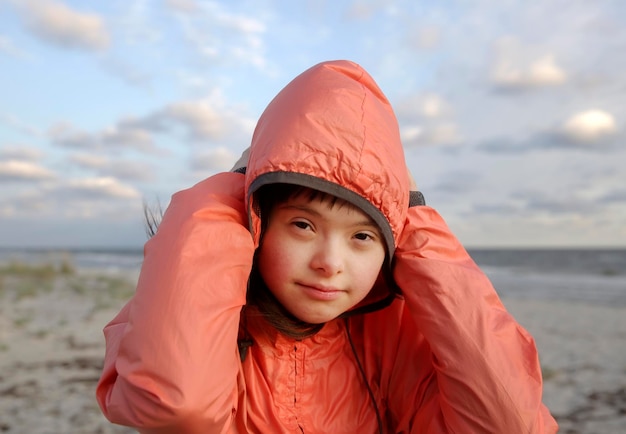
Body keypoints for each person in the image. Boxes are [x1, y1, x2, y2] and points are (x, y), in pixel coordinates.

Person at [96, 60, 558, 433]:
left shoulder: (397, 340)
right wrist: (234, 188)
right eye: (302, 225)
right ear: (257, 221)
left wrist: (412, 214)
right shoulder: (214, 325)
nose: (329, 264)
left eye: (362, 236)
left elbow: (507, 423)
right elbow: (177, 406)